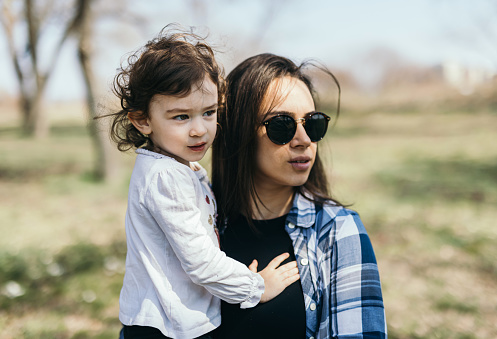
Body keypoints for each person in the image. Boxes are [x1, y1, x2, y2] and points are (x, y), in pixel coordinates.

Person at [108, 28, 300, 339]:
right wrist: (255, 287)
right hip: (167, 328)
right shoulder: (166, 177)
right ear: (143, 120)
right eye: (181, 117)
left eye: (208, 113)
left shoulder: (176, 167)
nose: (199, 130)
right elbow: (201, 262)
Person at [212, 53, 387, 339]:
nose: (304, 139)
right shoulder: (196, 226)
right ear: (237, 131)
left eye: (312, 123)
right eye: (282, 124)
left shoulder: (338, 231)